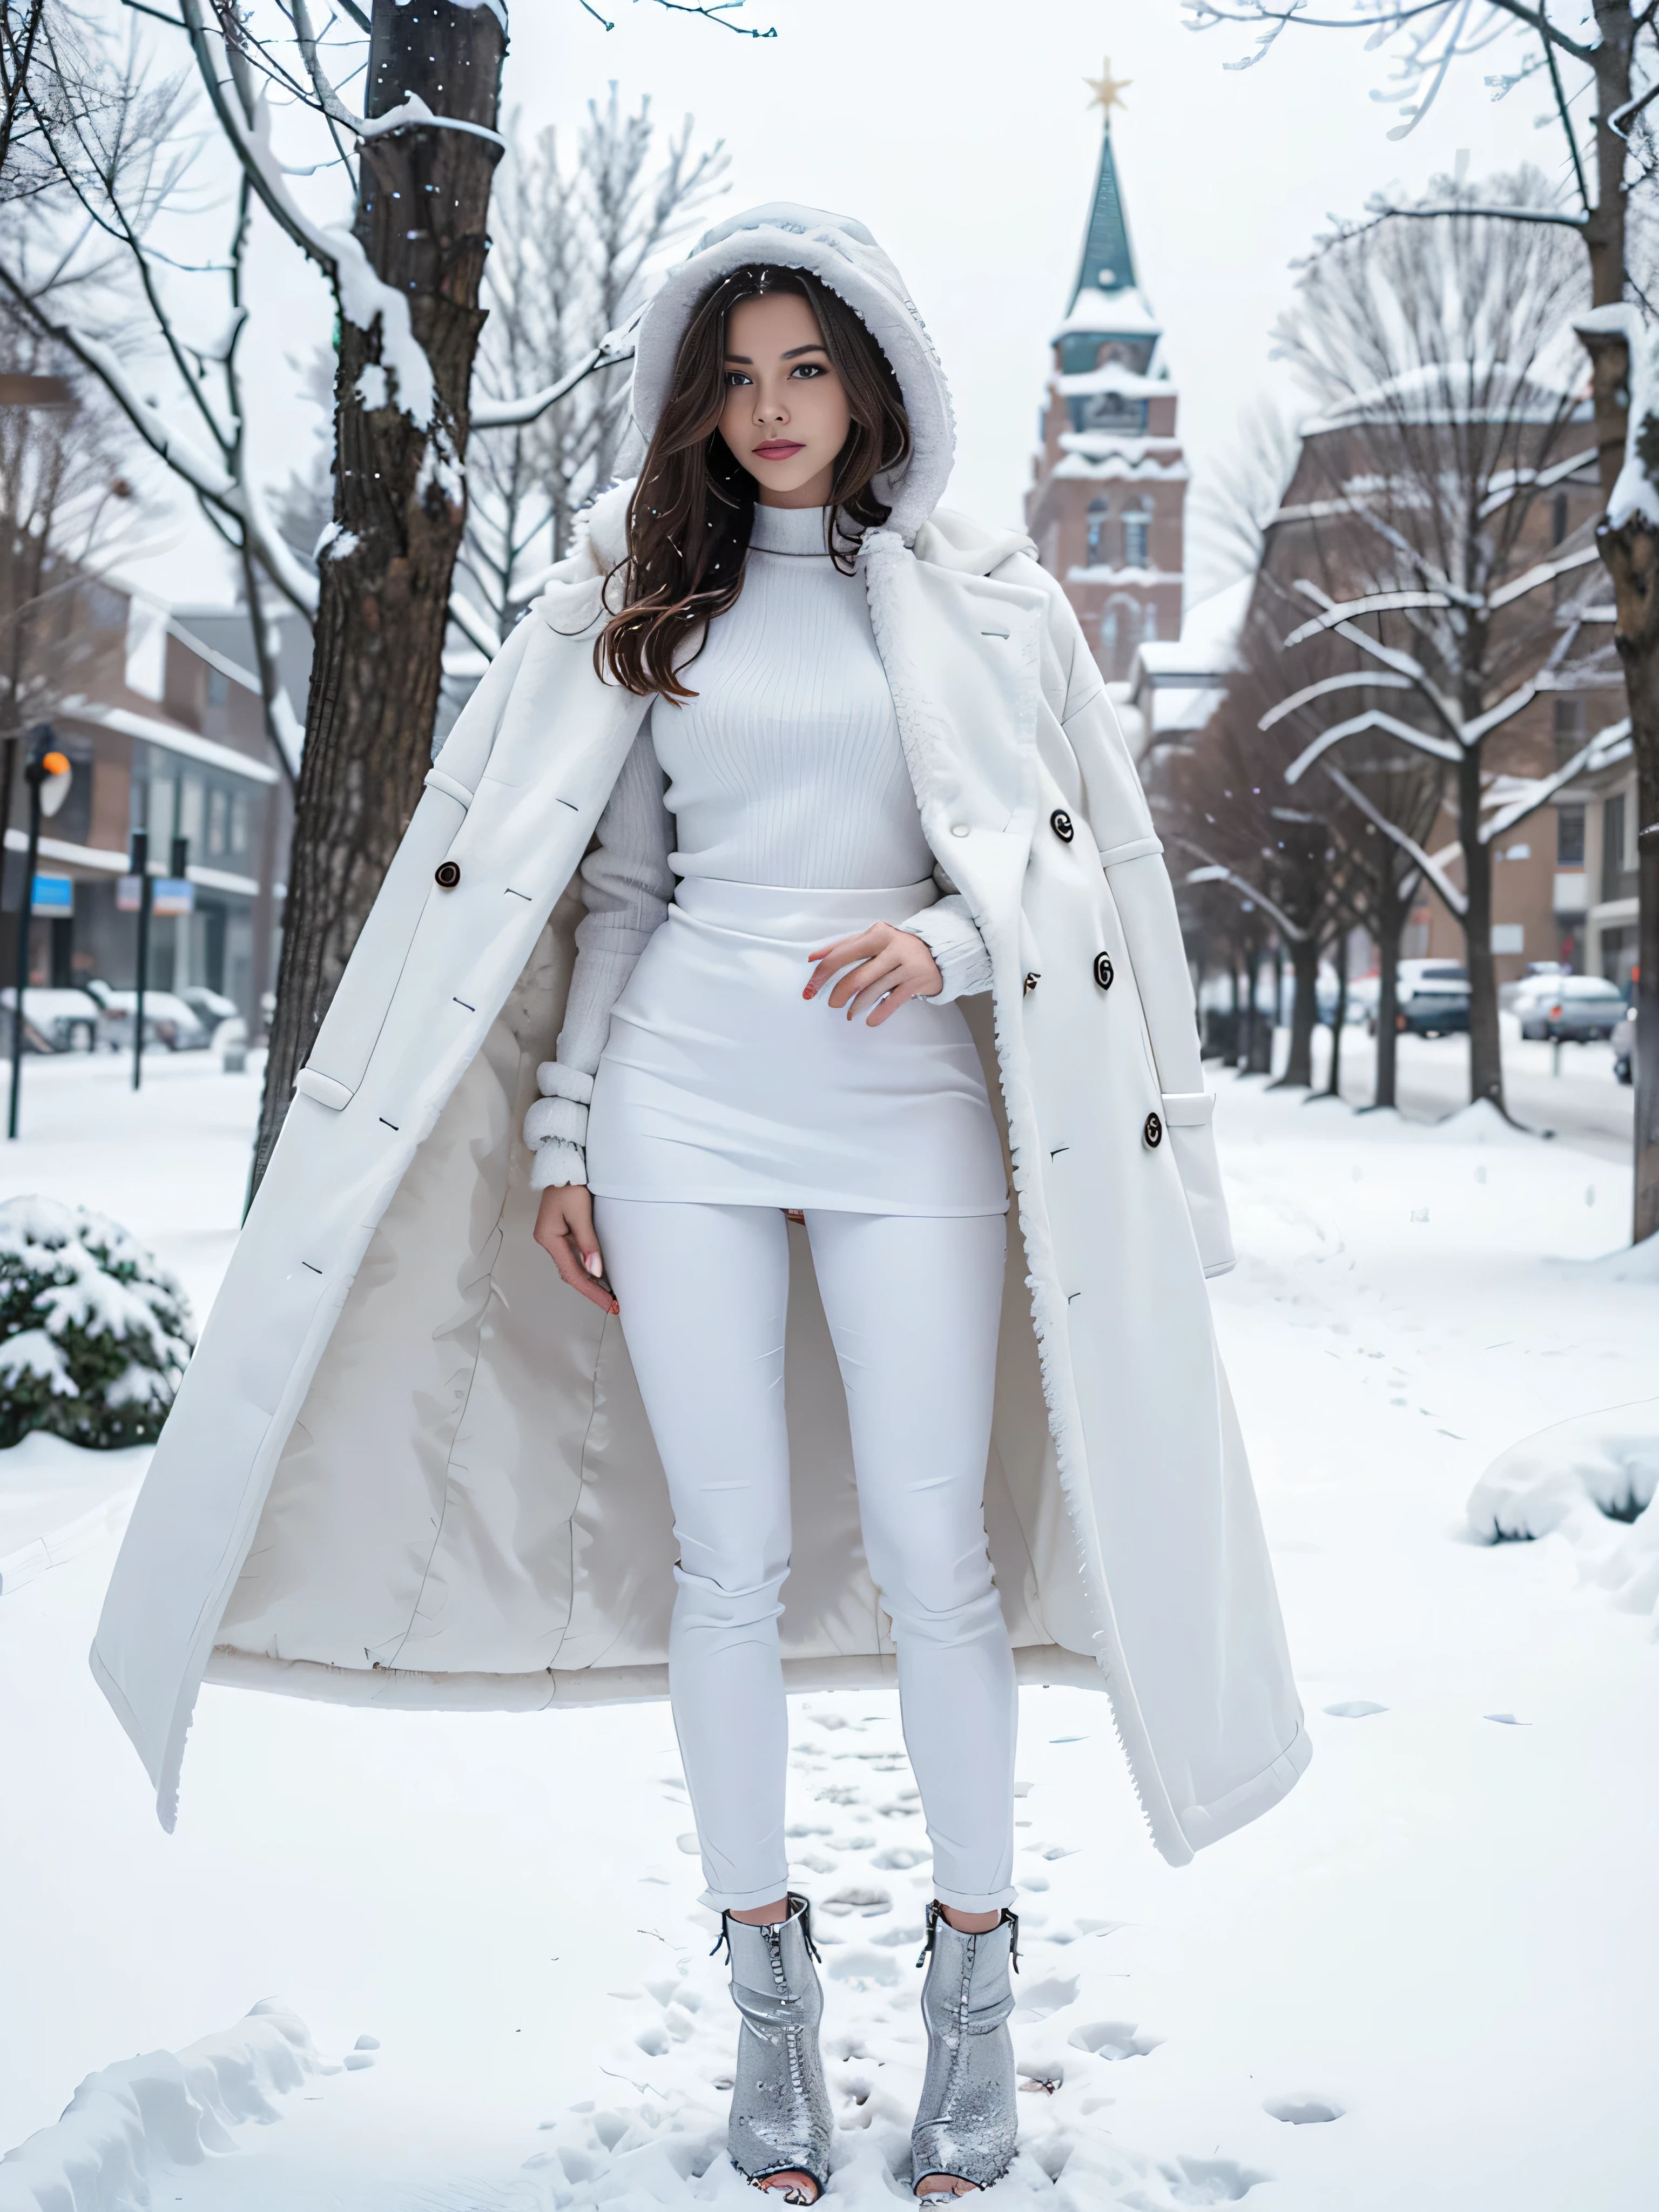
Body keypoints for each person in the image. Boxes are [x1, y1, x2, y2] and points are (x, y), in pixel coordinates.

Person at [90, 207, 1309, 2210]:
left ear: (872, 382)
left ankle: (976, 1990)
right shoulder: (641, 606)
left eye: (805, 369)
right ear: (697, 398)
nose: (770, 409)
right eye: (736, 376)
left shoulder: (994, 612)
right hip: (679, 1105)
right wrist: (565, 1135)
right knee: (722, 1563)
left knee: (938, 1559)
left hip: (914, 1103)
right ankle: (767, 2000)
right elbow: (619, 899)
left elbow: (1085, 885)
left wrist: (944, 942)